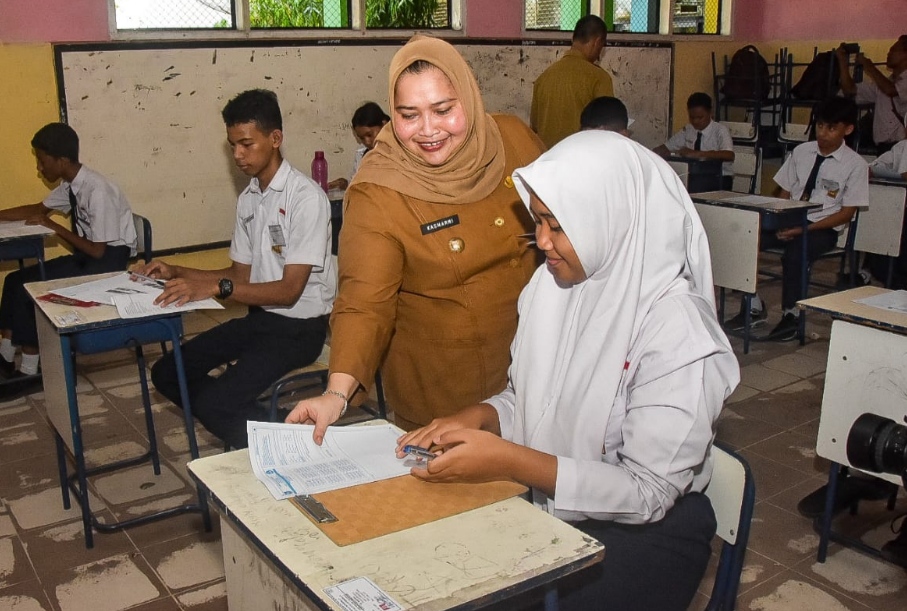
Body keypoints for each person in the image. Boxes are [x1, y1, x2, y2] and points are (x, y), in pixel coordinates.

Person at [395, 130, 740, 610]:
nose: (542, 242)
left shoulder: (678, 328)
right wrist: (481, 417)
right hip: (556, 503)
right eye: (537, 221)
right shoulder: (553, 286)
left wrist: (509, 461)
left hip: (649, 532)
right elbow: (533, 399)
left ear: (609, 220)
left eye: (556, 226)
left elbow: (648, 492)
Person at [286, 35, 544, 439]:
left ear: (469, 97)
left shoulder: (513, 140)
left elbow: (572, 225)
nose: (428, 130)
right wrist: (336, 392)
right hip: (449, 392)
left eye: (443, 110)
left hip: (542, 364)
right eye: (409, 115)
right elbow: (364, 302)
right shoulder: (379, 190)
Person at [141, 89, 336, 450]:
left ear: (275, 138)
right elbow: (238, 276)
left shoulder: (305, 198)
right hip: (261, 321)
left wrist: (218, 288)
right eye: (232, 146)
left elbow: (288, 291)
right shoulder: (249, 198)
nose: (237, 155)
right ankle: (269, 425)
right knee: (168, 372)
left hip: (299, 331)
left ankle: (283, 442)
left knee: (216, 404)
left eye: (246, 144)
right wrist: (177, 270)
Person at [0, 122, 136, 397]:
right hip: (88, 256)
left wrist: (54, 227)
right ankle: (5, 356)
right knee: (15, 279)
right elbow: (38, 209)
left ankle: (30, 370)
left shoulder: (98, 190)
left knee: (30, 291)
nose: (39, 168)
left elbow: (99, 251)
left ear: (61, 160)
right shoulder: (72, 185)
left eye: (42, 161)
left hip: (107, 263)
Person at [728, 97, 869, 340]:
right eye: (820, 126)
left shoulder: (856, 165)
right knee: (744, 239)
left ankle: (792, 315)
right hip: (790, 219)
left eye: (831, 128)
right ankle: (752, 305)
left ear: (847, 129)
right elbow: (783, 194)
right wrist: (780, 220)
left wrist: (802, 230)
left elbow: (846, 214)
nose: (823, 133)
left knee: (796, 253)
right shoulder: (801, 152)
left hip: (824, 227)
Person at [530, 15, 613, 149]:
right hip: (582, 157)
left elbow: (534, 127)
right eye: (601, 47)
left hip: (548, 158)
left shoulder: (543, 78)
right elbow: (608, 129)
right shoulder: (599, 78)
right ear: (597, 42)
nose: (599, 55)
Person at [837, 36, 907, 153]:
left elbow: (891, 90)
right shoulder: (882, 84)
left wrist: (869, 67)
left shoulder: (892, 84)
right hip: (885, 148)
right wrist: (843, 63)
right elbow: (849, 90)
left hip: (902, 146)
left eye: (893, 50)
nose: (888, 54)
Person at [654, 92, 735, 189]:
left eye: (700, 117)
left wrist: (698, 154)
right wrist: (657, 154)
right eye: (692, 117)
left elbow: (729, 155)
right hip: (695, 177)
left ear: (710, 113)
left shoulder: (720, 130)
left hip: (719, 178)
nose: (695, 121)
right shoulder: (688, 130)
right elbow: (666, 147)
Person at [327, 102, 390, 191]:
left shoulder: (399, 153)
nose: (367, 142)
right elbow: (358, 184)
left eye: (369, 135)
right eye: (362, 138)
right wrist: (346, 184)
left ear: (384, 124)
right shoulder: (362, 153)